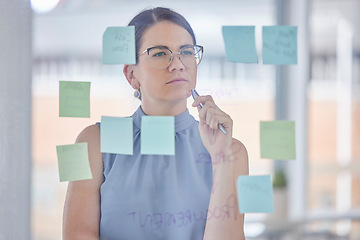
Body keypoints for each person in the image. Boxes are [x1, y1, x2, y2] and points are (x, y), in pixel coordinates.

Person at [63, 7, 248, 240]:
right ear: (131, 75)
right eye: (160, 53)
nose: (178, 64)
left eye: (187, 52)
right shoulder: (90, 141)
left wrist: (221, 158)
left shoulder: (234, 151)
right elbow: (75, 235)